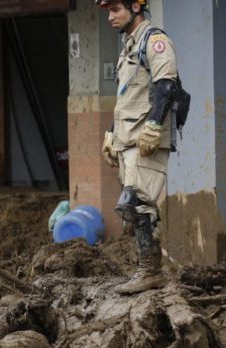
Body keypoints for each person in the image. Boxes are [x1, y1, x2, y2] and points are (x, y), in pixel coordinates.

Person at [97, 0, 177, 294]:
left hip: (147, 139)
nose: (110, 17)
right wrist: (110, 134)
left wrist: (155, 126)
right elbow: (125, 97)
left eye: (115, 9)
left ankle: (150, 271)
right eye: (107, 11)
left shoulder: (155, 41)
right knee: (136, 207)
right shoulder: (129, 47)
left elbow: (166, 86)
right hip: (128, 138)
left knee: (136, 202)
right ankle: (147, 269)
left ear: (135, 6)